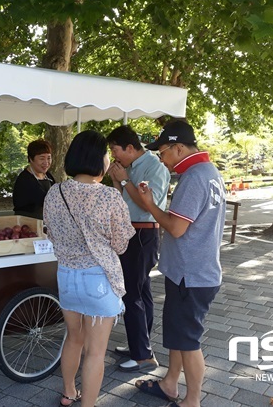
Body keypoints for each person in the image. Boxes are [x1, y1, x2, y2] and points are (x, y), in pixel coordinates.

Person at [134, 120, 225, 407]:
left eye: (163, 151)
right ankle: (170, 384)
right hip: (192, 272)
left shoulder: (195, 177)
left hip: (191, 275)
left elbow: (175, 228)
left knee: (188, 341)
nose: (161, 158)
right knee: (178, 334)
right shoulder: (209, 172)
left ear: (179, 147)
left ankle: (192, 400)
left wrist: (149, 205)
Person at [43, 130, 135, 407]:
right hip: (98, 279)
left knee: (73, 339)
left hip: (66, 274)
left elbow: (50, 232)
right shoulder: (108, 196)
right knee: (96, 352)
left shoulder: (54, 191)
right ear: (99, 159)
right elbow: (120, 245)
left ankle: (69, 392)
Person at [106, 125, 170, 372]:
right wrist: (118, 181)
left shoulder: (154, 167)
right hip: (132, 231)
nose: (114, 155)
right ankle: (139, 345)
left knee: (132, 292)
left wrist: (123, 179)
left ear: (130, 148)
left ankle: (143, 355)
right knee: (140, 291)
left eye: (115, 150)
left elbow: (146, 204)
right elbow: (124, 200)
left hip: (143, 232)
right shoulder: (131, 168)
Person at [12, 139, 55, 219]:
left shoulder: (48, 175)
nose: (46, 162)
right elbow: (47, 200)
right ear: (31, 159)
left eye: (49, 158)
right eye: (42, 158)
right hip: (27, 223)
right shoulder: (25, 180)